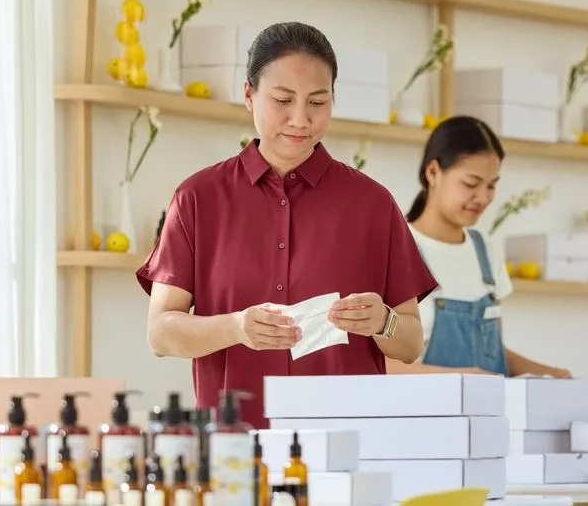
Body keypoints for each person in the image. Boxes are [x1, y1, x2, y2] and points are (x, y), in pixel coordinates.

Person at [136, 22, 438, 429]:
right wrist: (236, 327)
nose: (300, 119)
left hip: (348, 444)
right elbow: (161, 333)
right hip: (235, 448)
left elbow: (410, 343)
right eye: (282, 100)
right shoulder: (197, 199)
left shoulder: (373, 204)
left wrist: (382, 321)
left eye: (317, 102)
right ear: (249, 94)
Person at [386, 115, 573, 378]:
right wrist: (461, 380)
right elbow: (378, 365)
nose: (483, 198)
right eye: (471, 184)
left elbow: (491, 352)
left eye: (491, 185)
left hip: (491, 413)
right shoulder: (395, 250)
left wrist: (553, 374)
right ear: (433, 172)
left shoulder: (484, 250)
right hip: (426, 413)